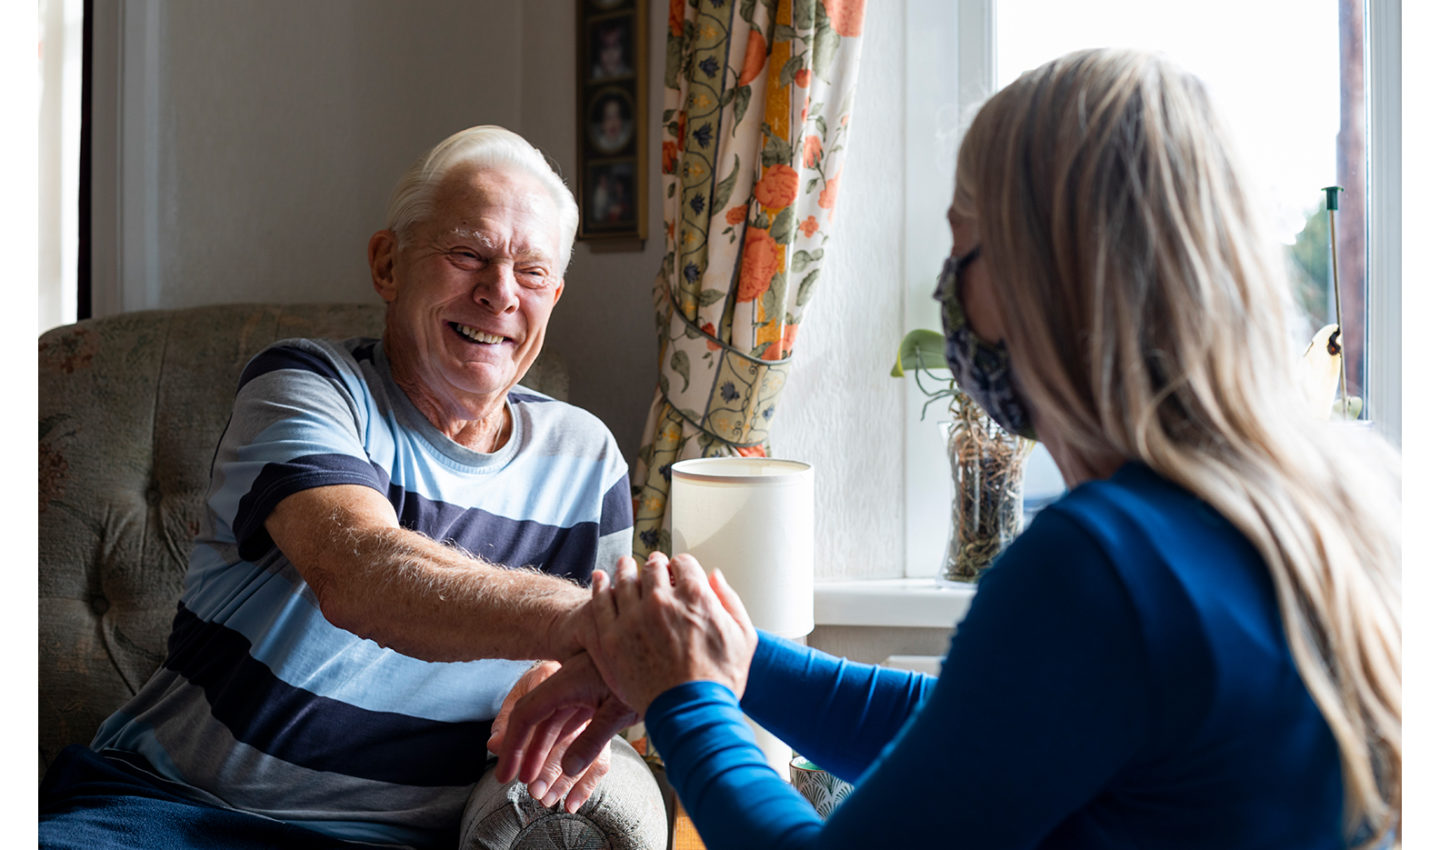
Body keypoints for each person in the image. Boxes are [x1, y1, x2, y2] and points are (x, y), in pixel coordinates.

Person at [493, 49, 1403, 849]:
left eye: (961, 246)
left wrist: (683, 701)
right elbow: (981, 730)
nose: (950, 290)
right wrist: (733, 660)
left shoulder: (1103, 564)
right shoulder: (1305, 508)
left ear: (1046, 277)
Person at [39, 126, 636, 849]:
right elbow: (359, 571)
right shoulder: (307, 385)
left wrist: (567, 682)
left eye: (532, 272)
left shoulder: (587, 458)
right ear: (388, 264)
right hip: (175, 809)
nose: (498, 293)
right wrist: (588, 622)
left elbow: (600, 676)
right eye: (467, 254)